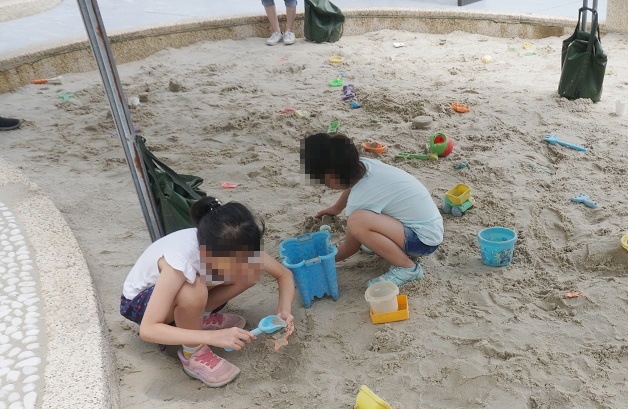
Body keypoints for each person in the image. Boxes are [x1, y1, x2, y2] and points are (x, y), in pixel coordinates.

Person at [120, 197, 295, 387]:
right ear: (206, 254)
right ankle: (193, 352)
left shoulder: (236, 243)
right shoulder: (180, 260)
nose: (241, 265)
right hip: (141, 304)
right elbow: (148, 329)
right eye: (232, 263)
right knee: (193, 291)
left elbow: (284, 275)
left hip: (180, 292)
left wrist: (284, 311)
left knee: (247, 275)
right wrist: (212, 338)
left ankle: (196, 319)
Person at [303, 133, 443, 287]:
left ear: (332, 176)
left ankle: (408, 268)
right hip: (428, 226)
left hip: (423, 242)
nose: (323, 184)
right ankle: (383, 244)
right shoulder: (363, 165)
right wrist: (336, 209)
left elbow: (350, 248)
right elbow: (352, 186)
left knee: (357, 222)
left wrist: (321, 259)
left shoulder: (359, 199)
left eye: (322, 180)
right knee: (362, 223)